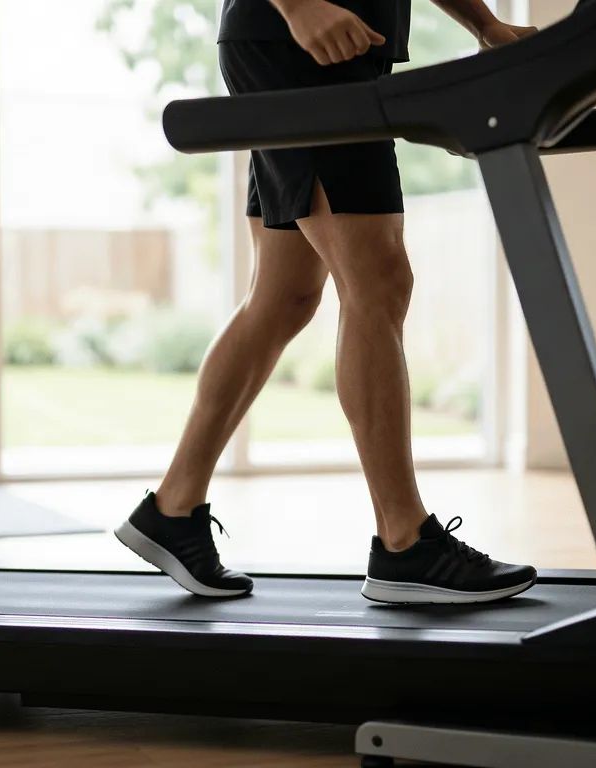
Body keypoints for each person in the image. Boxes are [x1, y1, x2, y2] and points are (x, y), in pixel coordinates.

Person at [116, 0, 538, 604]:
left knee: (283, 297)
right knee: (380, 282)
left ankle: (172, 508)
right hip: (303, 46)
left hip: (325, 53)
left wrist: (484, 25)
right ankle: (404, 543)